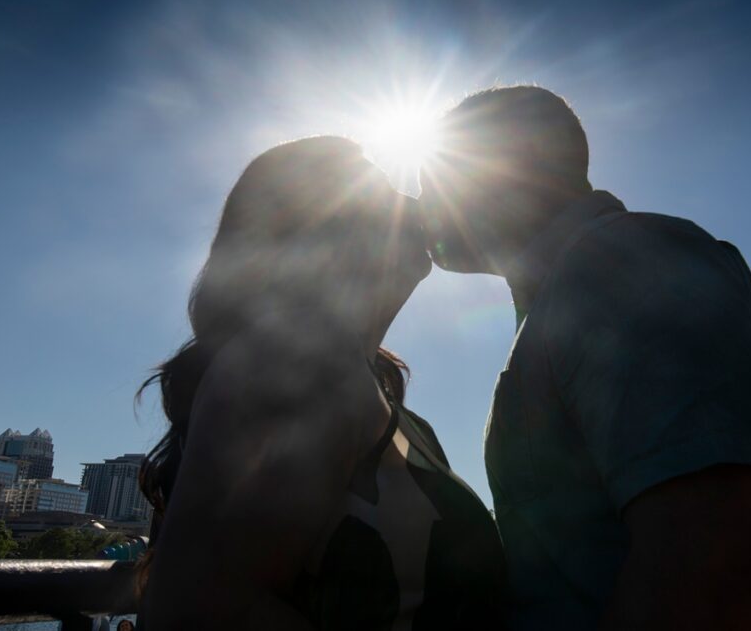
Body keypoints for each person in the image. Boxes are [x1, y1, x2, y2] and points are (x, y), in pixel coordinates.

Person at [418, 86, 751, 631]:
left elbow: (717, 564)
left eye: (436, 172)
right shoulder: (570, 288)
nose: (419, 197)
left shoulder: (616, 261)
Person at [137, 136, 506, 630]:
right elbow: (195, 609)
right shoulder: (295, 359)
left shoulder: (366, 388)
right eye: (378, 189)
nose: (410, 199)